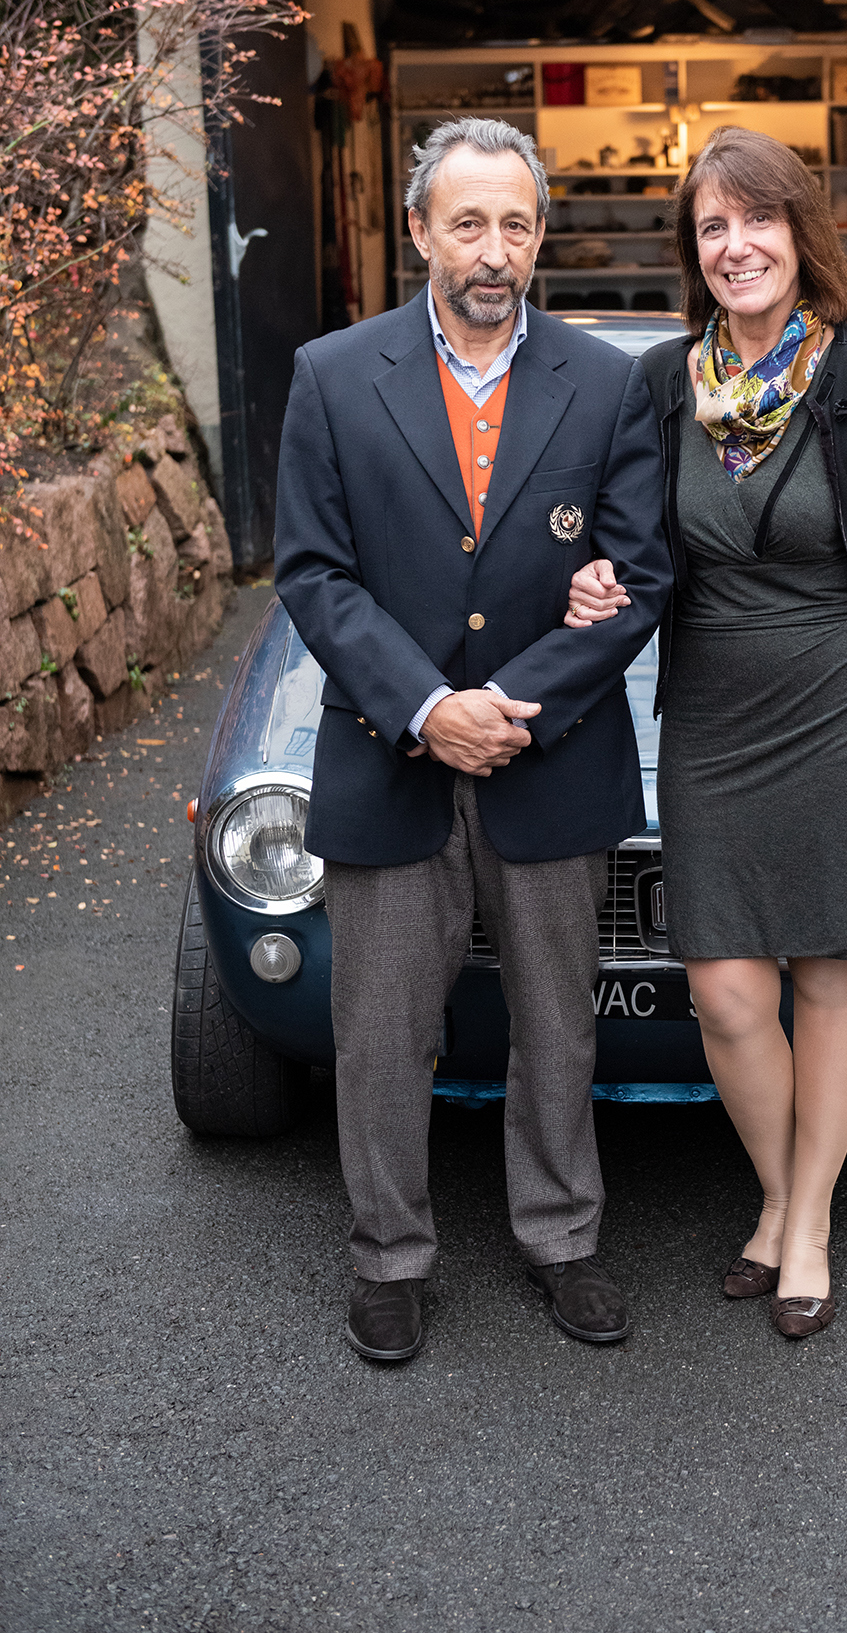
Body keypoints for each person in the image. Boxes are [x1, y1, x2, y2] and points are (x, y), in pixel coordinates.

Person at [275, 116, 673, 1363]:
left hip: (547, 756)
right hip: (388, 753)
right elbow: (315, 573)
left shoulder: (607, 381)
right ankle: (388, 1259)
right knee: (382, 1031)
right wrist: (427, 708)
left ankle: (562, 1239)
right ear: (419, 232)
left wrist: (508, 703)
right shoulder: (332, 374)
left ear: (539, 235)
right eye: (466, 223)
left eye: (514, 224)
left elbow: (640, 572)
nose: (492, 250)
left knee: (559, 1024)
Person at [564, 127, 847, 1341]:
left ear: (800, 233)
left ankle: (803, 1225)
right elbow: (633, 547)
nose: (736, 246)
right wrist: (597, 579)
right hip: (715, 719)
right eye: (712, 227)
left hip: (844, 708)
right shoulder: (660, 385)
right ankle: (785, 1193)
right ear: (694, 252)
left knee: (831, 976)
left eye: (757, 219)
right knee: (726, 991)